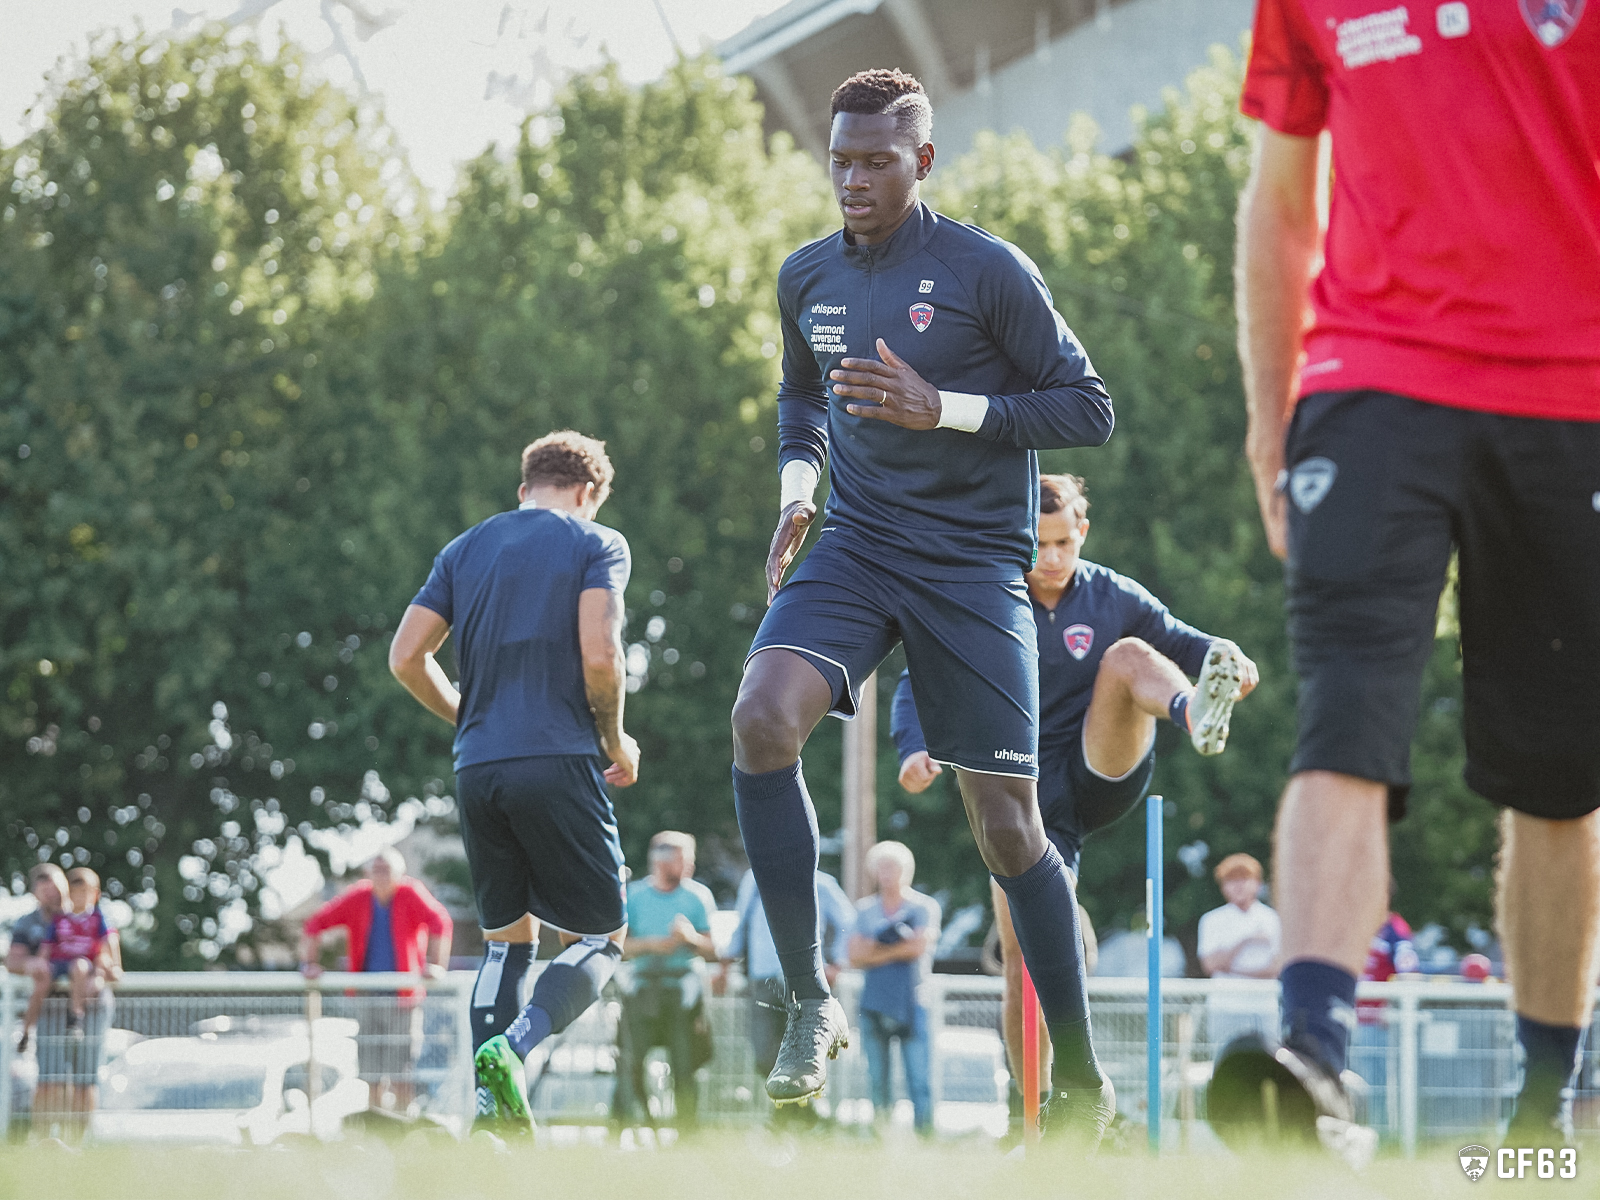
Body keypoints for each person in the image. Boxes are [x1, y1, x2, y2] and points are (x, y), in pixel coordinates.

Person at [1213, 0, 1600, 1152]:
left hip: (1575, 393)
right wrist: (1266, 416)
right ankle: (1312, 1060)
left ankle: (1542, 1114)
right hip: (1371, 384)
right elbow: (1281, 205)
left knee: (1557, 777)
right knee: (1345, 715)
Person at [729, 65, 1121, 1144]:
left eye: (875, 162)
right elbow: (800, 391)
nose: (852, 180)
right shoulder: (804, 275)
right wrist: (797, 493)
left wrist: (937, 406)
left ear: (924, 161)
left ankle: (1082, 1086)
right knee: (761, 721)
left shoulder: (985, 270)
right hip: (855, 544)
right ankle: (811, 1003)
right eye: (839, 161)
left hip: (968, 567)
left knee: (1006, 829)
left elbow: (1086, 410)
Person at [892, 473, 1256, 1136]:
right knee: (1019, 957)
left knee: (1128, 654)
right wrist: (915, 747)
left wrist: (1221, 661)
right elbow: (919, 679)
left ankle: (1192, 712)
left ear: (1081, 533)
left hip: (1100, 766)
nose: (1052, 557)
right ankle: (1027, 1115)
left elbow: (1182, 640)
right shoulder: (984, 596)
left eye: (1064, 542)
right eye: (1038, 544)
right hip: (1019, 794)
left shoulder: (1110, 593)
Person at [389, 430, 639, 1137]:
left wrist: (470, 716)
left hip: (477, 766)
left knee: (508, 941)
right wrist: (615, 739)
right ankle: (516, 1047)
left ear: (523, 486)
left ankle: (491, 1122)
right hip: (557, 757)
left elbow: (407, 657)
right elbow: (601, 653)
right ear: (587, 493)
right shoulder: (597, 543)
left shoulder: (464, 548)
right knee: (600, 937)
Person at [298, 848, 452, 1111]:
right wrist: (310, 964)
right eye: (375, 870)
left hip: (402, 999)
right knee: (370, 1073)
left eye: (385, 870)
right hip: (367, 998)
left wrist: (435, 965)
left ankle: (403, 1130)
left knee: (402, 1072)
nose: (379, 875)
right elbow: (315, 923)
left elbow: (441, 921)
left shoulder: (410, 893)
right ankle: (376, 1130)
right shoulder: (359, 896)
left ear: (399, 874)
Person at [613, 832, 718, 1128]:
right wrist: (652, 945)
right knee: (630, 1063)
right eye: (684, 859)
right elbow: (618, 947)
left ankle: (687, 1132)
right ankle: (623, 1127)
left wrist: (691, 939)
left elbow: (715, 950)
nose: (690, 866)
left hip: (682, 992)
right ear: (661, 861)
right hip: (641, 990)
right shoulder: (633, 896)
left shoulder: (698, 897)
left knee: (685, 1067)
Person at [723, 866, 855, 1087]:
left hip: (803, 978)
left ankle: (800, 1112)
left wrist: (837, 965)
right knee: (763, 1052)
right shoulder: (753, 879)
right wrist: (725, 963)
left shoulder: (820, 882)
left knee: (804, 1052)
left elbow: (849, 924)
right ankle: (793, 1111)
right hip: (762, 978)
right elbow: (741, 922)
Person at [849, 841, 941, 1136]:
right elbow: (854, 955)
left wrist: (876, 947)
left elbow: (918, 948)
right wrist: (897, 947)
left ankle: (924, 1134)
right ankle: (880, 1134)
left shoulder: (924, 907)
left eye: (893, 867)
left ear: (906, 870)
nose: (887, 873)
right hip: (873, 1003)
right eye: (881, 867)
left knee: (918, 1077)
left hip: (912, 1003)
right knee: (877, 1078)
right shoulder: (864, 911)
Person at [34, 868, 120, 1139]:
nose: (81, 897)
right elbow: (42, 957)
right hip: (54, 1006)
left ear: (96, 894)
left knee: (85, 1079)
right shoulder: (59, 922)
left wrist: (104, 970)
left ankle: (79, 1142)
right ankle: (45, 1139)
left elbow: (111, 962)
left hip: (93, 1008)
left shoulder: (100, 920)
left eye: (87, 891)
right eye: (76, 891)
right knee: (51, 1078)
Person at [9, 864, 69, 1055]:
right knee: (49, 1074)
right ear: (35, 893)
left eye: (56, 889)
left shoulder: (85, 917)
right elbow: (12, 961)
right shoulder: (27, 923)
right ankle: (26, 1033)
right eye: (46, 890)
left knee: (87, 1077)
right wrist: (30, 963)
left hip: (87, 1003)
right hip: (48, 1005)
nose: (53, 895)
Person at [1197, 854, 1280, 981]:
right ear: (1223, 887)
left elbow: (1279, 966)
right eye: (1231, 881)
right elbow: (1210, 964)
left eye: (1244, 879)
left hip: (1263, 998)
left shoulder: (1272, 918)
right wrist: (1246, 940)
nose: (1238, 886)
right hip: (1226, 998)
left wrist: (1233, 971)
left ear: (1257, 883)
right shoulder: (1212, 919)